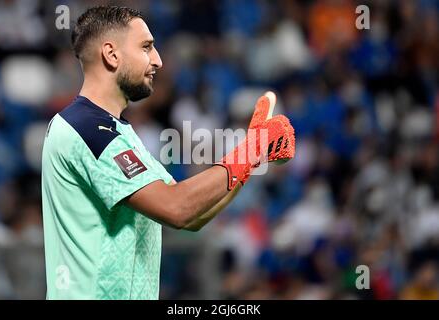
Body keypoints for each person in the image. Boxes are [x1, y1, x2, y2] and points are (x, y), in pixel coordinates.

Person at [41, 5, 295, 300]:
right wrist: (252, 150)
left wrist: (252, 157)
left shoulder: (116, 132)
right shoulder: (85, 128)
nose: (158, 60)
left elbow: (194, 216)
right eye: (146, 47)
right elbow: (177, 208)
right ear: (111, 54)